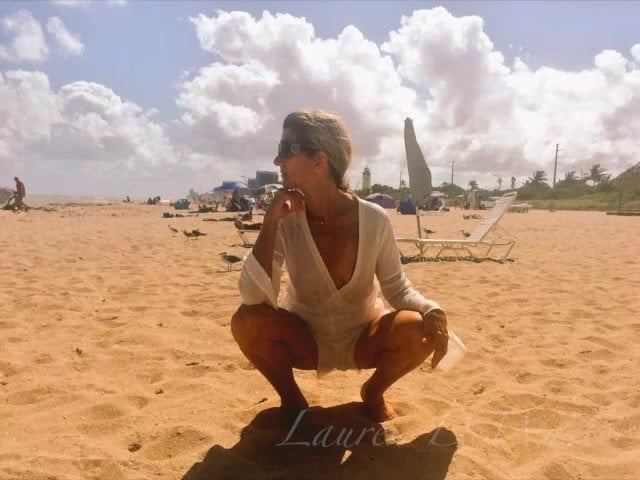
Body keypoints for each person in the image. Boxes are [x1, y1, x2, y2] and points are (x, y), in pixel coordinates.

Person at [231, 110, 452, 423]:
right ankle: (292, 400)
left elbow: (396, 288)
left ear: (319, 161)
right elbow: (253, 297)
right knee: (246, 321)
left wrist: (431, 309)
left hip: (364, 336)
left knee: (419, 328)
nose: (277, 161)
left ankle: (373, 392)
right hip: (305, 338)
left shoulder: (374, 219)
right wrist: (270, 223)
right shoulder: (286, 219)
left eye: (286, 150)